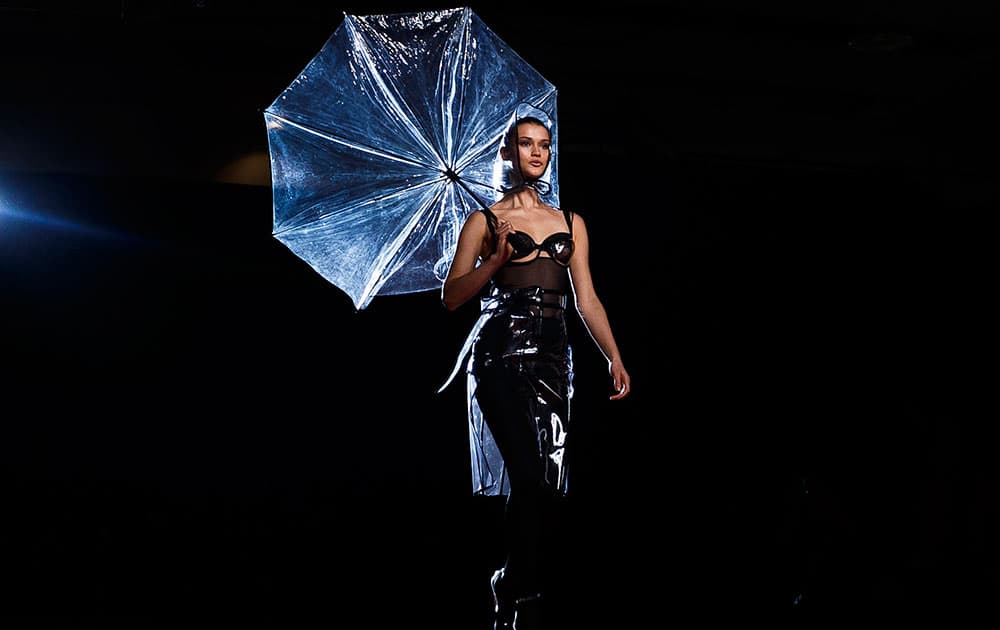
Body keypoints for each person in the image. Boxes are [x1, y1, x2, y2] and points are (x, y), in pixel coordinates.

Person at [440, 113, 631, 629]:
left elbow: (586, 298)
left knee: (547, 485)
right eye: (526, 144)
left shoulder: (571, 222)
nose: (537, 153)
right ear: (509, 152)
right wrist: (496, 258)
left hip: (554, 355)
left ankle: (516, 579)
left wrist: (613, 354)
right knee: (527, 476)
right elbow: (453, 296)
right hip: (500, 353)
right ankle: (513, 582)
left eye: (544, 145)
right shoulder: (485, 221)